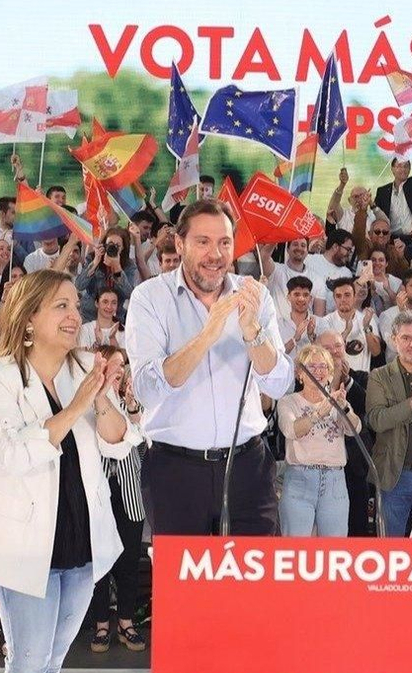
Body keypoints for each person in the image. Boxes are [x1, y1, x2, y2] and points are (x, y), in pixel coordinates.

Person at [0, 269, 136, 673]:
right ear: (30, 317)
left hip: (82, 540)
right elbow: (13, 453)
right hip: (25, 547)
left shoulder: (84, 367)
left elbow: (117, 442)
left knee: (53, 662)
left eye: (75, 305)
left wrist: (100, 394)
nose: (74, 315)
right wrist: (76, 406)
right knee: (27, 664)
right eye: (61, 306)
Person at [126, 200, 293, 536]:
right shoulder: (149, 298)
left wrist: (253, 334)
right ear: (179, 243)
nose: (215, 254)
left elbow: (278, 384)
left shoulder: (254, 295)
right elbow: (146, 388)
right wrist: (207, 335)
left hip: (248, 468)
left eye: (224, 242)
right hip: (176, 471)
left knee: (255, 582)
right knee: (183, 588)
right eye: (203, 242)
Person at [86, 345, 148, 654]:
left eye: (123, 364)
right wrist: (131, 432)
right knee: (100, 563)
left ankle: (126, 621)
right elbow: (116, 444)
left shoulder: (131, 402)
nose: (120, 368)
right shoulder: (88, 402)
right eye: (115, 362)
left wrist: (134, 409)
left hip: (130, 495)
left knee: (128, 562)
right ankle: (101, 624)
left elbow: (142, 441)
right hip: (99, 496)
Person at [276, 344, 360, 536]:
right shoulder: (288, 402)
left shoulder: (337, 402)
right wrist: (319, 412)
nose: (318, 372)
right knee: (296, 551)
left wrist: (344, 409)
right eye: (311, 367)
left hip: (334, 481)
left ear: (330, 374)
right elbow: (291, 430)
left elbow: (355, 430)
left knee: (334, 551)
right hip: (299, 479)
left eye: (323, 367)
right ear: (300, 374)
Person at [365, 310, 412, 537]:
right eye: (406, 338)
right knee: (391, 550)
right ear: (394, 340)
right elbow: (376, 420)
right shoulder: (379, 376)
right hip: (394, 475)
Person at [316, 278, 379, 375]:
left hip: (361, 380)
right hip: (335, 378)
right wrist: (346, 332)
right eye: (338, 296)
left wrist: (366, 327)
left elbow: (376, 352)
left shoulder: (367, 318)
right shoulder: (325, 322)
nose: (343, 300)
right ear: (334, 299)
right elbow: (325, 355)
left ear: (354, 297)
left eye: (347, 295)